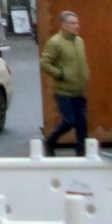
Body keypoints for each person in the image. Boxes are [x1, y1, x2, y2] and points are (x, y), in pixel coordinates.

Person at [40, 10, 90, 157]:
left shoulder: (79, 41)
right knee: (69, 121)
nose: (76, 26)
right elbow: (45, 63)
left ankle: (81, 153)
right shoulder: (55, 42)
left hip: (79, 90)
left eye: (77, 23)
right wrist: (60, 74)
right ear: (63, 25)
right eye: (72, 23)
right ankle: (50, 141)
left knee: (82, 124)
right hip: (64, 91)